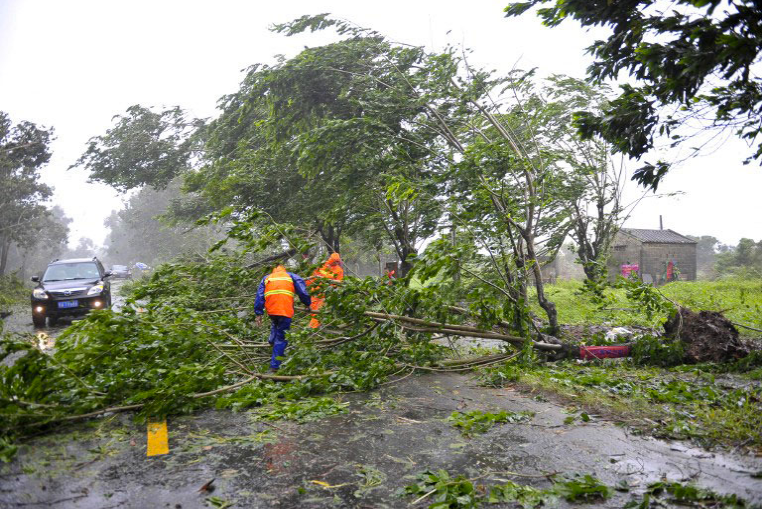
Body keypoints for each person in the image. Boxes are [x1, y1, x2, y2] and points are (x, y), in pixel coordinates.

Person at [254, 265, 311, 372]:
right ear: (284, 270)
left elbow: (259, 295)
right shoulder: (291, 276)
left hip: (272, 311)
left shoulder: (267, 278)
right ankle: (274, 367)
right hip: (285, 311)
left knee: (275, 323)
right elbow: (302, 291)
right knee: (281, 338)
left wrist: (258, 313)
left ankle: (271, 340)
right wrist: (307, 303)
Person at [306, 253, 344, 328]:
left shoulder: (339, 270)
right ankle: (316, 325)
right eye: (335, 261)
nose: (336, 263)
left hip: (325, 293)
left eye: (337, 261)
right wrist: (308, 286)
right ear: (331, 260)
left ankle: (312, 328)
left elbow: (339, 283)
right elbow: (313, 276)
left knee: (319, 310)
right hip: (315, 291)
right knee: (313, 309)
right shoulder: (322, 265)